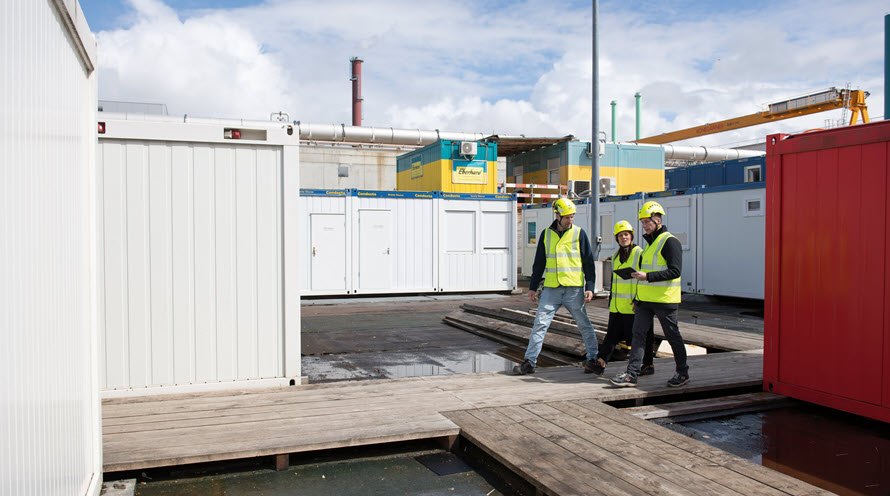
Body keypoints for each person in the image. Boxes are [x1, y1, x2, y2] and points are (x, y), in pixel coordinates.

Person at [512, 198, 600, 375]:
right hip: (551, 289)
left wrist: (590, 286)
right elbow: (539, 263)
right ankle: (530, 362)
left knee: (584, 324)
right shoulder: (546, 234)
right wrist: (532, 287)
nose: (570, 220)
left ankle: (593, 358)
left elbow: (589, 263)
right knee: (539, 324)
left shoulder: (579, 234)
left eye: (572, 216)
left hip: (574, 290)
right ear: (557, 216)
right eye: (567, 217)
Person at [610, 201, 690, 388]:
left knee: (673, 336)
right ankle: (632, 374)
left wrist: (647, 276)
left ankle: (682, 372)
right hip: (644, 300)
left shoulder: (670, 241)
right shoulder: (649, 244)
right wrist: (637, 297)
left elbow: (675, 271)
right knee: (638, 335)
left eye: (648, 222)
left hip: (664, 299)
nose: (645, 226)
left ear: (658, 219)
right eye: (643, 222)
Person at [586, 221, 655, 377]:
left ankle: (648, 364)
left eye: (626, 234)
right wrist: (611, 302)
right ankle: (600, 363)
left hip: (633, 306)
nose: (624, 237)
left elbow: (644, 278)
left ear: (631, 236)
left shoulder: (639, 253)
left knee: (640, 338)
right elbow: (614, 282)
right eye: (620, 235)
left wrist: (639, 300)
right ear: (617, 238)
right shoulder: (616, 256)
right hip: (617, 306)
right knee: (610, 337)